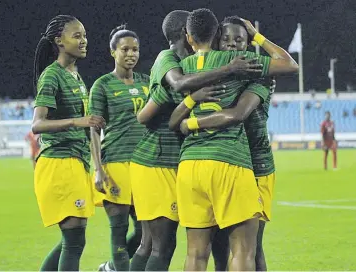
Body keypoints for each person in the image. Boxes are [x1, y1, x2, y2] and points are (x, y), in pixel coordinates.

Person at [129, 10, 267, 271]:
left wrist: (190, 111)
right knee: (159, 245)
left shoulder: (194, 63)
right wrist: (230, 68)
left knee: (187, 247)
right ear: (188, 35)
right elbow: (148, 112)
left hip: (185, 162)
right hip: (162, 160)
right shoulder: (169, 59)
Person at [169, 9, 298, 271]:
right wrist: (255, 39)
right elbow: (289, 64)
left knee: (202, 252)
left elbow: (175, 118)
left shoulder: (185, 69)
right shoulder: (240, 63)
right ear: (217, 37)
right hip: (232, 161)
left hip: (223, 164)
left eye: (240, 40)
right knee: (243, 250)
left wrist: (190, 122)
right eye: (227, 39)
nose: (232, 45)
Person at [32, 15, 106, 271]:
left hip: (76, 162)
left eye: (84, 35)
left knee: (72, 241)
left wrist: (98, 167)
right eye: (76, 36)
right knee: (74, 240)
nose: (84, 41)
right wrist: (78, 121)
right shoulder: (52, 76)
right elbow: (37, 124)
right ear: (58, 42)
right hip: (58, 162)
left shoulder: (74, 75)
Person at [89, 25, 150, 272]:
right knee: (119, 232)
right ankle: (116, 267)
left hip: (145, 165)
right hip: (116, 163)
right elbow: (93, 129)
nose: (131, 54)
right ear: (113, 52)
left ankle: (110, 268)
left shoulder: (148, 81)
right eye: (125, 49)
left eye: (135, 49)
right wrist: (98, 169)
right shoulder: (102, 85)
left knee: (150, 234)